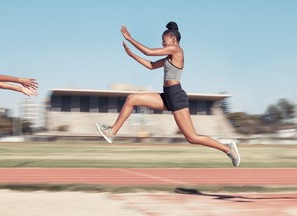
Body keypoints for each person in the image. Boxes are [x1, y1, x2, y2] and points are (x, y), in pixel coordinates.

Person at [96, 22, 240, 167]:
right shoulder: (168, 57)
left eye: (163, 40)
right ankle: (112, 132)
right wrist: (131, 54)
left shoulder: (177, 50)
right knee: (132, 99)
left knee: (192, 137)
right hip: (167, 96)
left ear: (172, 39)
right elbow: (151, 65)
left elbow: (149, 52)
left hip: (177, 97)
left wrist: (129, 38)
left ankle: (228, 149)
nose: (162, 43)